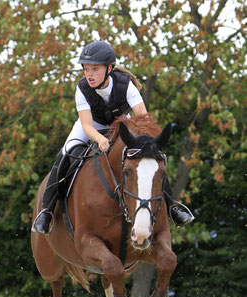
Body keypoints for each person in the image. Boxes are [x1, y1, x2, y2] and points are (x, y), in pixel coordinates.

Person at [32, 41, 194, 235]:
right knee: (66, 153)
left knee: (150, 155)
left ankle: (173, 208)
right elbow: (86, 126)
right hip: (94, 126)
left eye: (94, 69)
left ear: (109, 68)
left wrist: (143, 139)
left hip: (122, 124)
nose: (89, 74)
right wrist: (100, 140)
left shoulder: (126, 85)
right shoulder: (82, 89)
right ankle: (46, 211)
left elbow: (142, 116)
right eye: (86, 69)